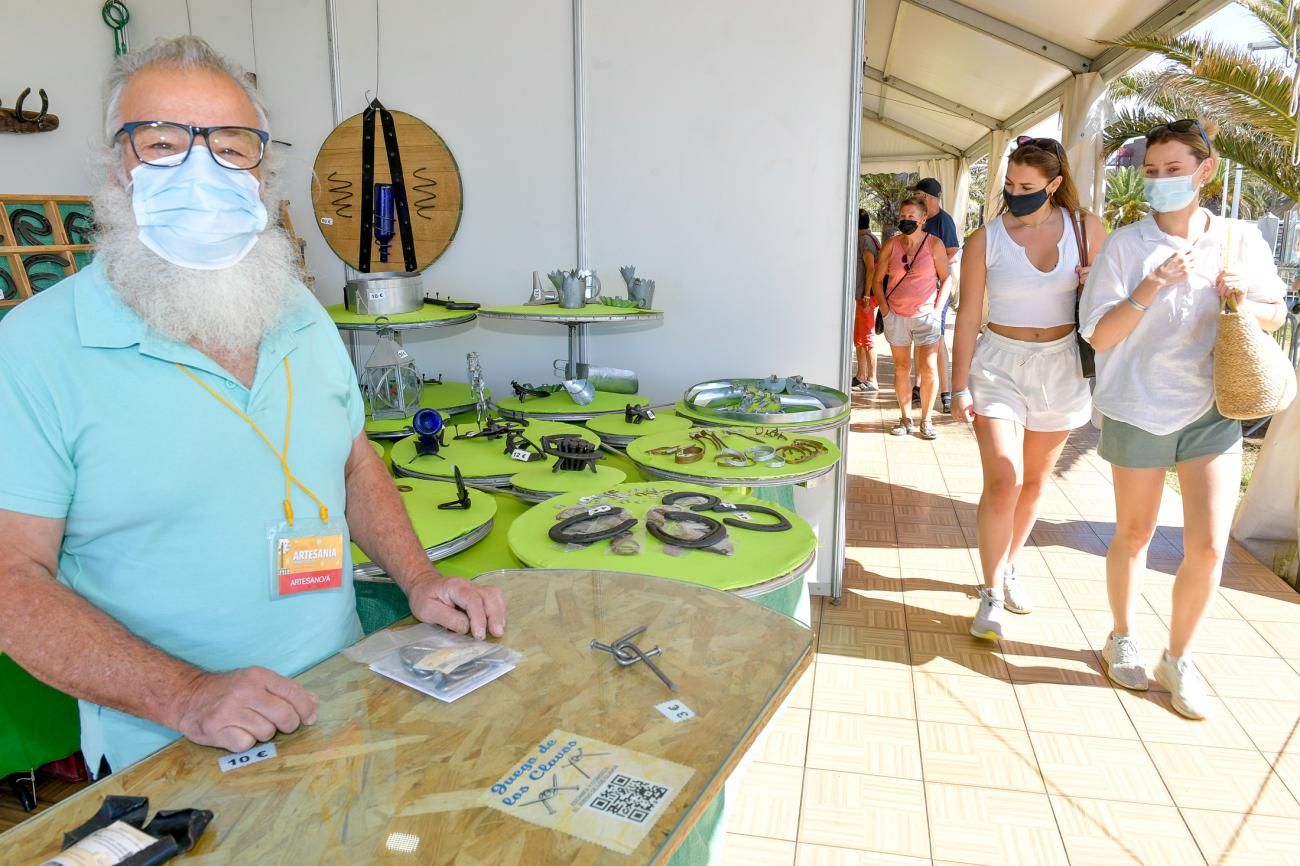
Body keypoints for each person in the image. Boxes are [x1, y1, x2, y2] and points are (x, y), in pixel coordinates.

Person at [0, 37, 506, 775]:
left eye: (231, 148)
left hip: (340, 707)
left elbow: (354, 462)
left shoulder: (296, 307)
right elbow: (13, 580)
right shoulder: (38, 346)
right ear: (118, 167)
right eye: (165, 143)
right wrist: (186, 695)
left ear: (262, 171)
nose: (201, 170)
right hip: (172, 749)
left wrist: (421, 580)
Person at [1080, 119, 1287, 718]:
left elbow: (1272, 317)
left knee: (1208, 547)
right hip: (1138, 406)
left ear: (1206, 171)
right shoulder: (1127, 244)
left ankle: (1180, 657)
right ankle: (1122, 634)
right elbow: (1100, 334)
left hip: (1212, 411)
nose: (1162, 182)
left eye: (1174, 170)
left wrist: (1242, 297)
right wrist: (1148, 286)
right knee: (1135, 534)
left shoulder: (1238, 239)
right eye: (1152, 172)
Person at [951, 137, 1105, 641]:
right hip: (998, 365)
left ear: (1055, 185)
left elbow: (1114, 302)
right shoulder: (985, 240)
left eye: (1028, 187)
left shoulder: (1087, 230)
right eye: (1010, 185)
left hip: (1061, 365)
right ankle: (991, 592)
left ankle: (1010, 565)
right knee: (1004, 478)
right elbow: (969, 314)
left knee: (1035, 482)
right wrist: (958, 388)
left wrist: (1093, 281)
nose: (1015, 194)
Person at [870, 195, 950, 440]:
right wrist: (885, 310)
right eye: (902, 217)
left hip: (926, 316)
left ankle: (926, 420)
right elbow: (877, 280)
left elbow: (946, 279)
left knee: (928, 369)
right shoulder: (891, 245)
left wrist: (936, 311)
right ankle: (906, 419)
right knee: (901, 368)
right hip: (897, 316)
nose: (905, 221)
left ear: (923, 220)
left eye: (911, 217)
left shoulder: (934, 245)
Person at [911, 177, 961, 412]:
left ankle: (946, 392)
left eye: (920, 195)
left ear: (930, 198)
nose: (916, 199)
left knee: (937, 340)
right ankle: (917, 387)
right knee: (917, 337)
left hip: (938, 288)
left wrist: (929, 265)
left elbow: (952, 252)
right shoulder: (918, 218)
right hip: (917, 289)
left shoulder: (944, 221)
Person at [852, 210, 882, 392]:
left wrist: (866, 295)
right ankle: (861, 375)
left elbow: (870, 269)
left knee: (867, 337)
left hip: (866, 298)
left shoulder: (865, 241)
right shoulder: (868, 238)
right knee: (859, 337)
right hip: (863, 296)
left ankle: (872, 378)